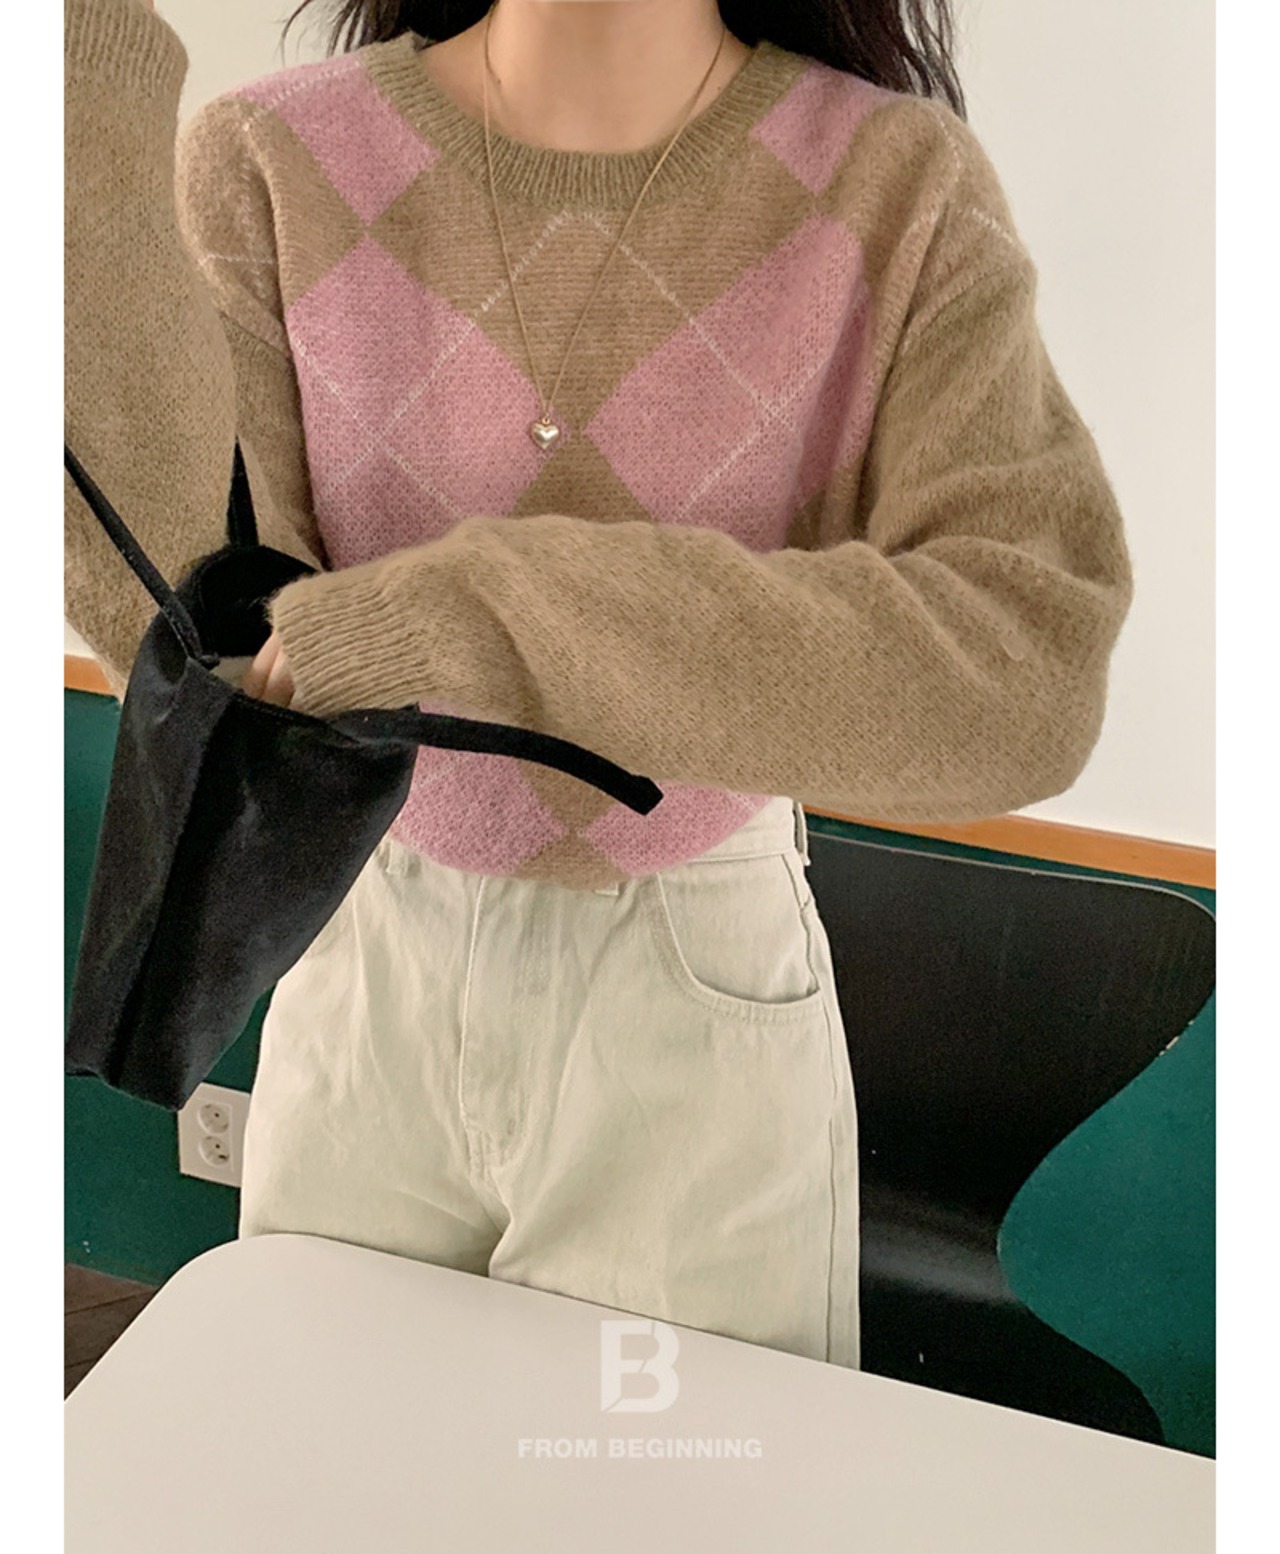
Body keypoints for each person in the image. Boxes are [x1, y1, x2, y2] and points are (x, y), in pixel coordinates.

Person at [64, 0, 1134, 1372]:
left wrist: (482, 612)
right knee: (339, 1455)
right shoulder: (274, 159)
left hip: (694, 980)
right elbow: (197, 630)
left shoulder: (894, 184)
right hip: (361, 943)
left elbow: (1023, 671)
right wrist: (73, 79)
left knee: (663, 1474)